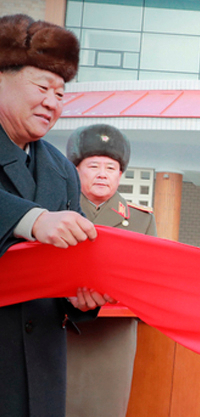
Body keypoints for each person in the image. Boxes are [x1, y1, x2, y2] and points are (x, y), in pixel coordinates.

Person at [0, 13, 114, 416]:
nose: (52, 102)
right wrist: (32, 219)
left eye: (61, 93)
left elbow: (71, 263)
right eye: (42, 87)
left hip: (40, 368)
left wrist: (80, 298)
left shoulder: (61, 168)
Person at [65, 123, 157, 417]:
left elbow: (148, 281)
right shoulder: (56, 214)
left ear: (120, 174)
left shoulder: (141, 220)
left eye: (111, 167)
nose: (102, 174)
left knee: (104, 407)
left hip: (113, 335)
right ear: (76, 170)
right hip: (60, 326)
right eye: (93, 166)